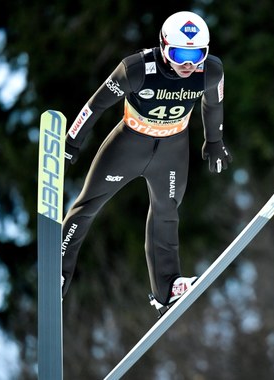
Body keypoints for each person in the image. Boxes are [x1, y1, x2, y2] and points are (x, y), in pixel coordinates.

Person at [60, 11, 232, 311]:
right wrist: (72, 140)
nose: (188, 65)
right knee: (88, 205)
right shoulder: (136, 69)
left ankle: (167, 289)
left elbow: (213, 103)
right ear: (164, 48)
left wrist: (214, 141)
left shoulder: (212, 71)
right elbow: (96, 105)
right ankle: (58, 270)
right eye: (180, 54)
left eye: (197, 55)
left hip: (172, 152)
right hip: (128, 146)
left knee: (167, 213)